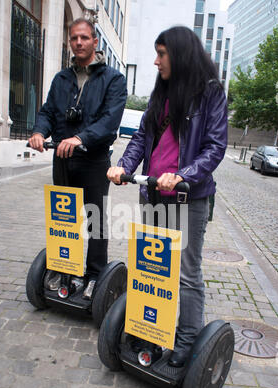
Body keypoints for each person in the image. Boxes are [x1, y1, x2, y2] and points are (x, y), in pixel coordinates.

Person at [107, 26, 228, 367]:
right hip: (153, 194)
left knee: (187, 273)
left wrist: (182, 176)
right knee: (153, 268)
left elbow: (215, 147)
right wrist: (123, 166)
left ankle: (188, 338)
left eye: (162, 54)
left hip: (188, 197)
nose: (156, 61)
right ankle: (151, 327)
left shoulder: (210, 93)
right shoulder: (161, 90)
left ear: (180, 54)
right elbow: (141, 137)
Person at [29, 18, 127, 299]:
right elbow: (48, 111)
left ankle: (95, 275)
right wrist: (39, 131)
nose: (79, 43)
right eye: (74, 38)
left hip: (94, 161)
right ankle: (65, 269)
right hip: (62, 160)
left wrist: (81, 138)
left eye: (84, 38)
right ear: (70, 42)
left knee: (95, 221)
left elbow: (110, 121)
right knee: (63, 219)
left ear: (95, 42)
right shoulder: (61, 78)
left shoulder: (113, 79)